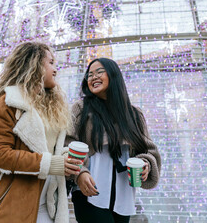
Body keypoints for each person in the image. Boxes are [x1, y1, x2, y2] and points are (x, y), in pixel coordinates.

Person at [0, 42, 81, 223]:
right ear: (34, 64)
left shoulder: (53, 108)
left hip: (47, 204)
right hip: (11, 206)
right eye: (51, 62)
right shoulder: (9, 102)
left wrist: (65, 159)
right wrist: (51, 163)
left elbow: (49, 150)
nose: (55, 69)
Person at [66, 58, 161, 223]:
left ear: (114, 75)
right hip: (89, 190)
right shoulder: (80, 109)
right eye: (89, 75)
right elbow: (67, 144)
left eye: (99, 72)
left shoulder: (134, 114)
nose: (93, 77)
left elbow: (148, 150)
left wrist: (145, 164)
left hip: (123, 195)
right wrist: (79, 173)